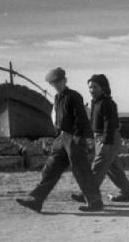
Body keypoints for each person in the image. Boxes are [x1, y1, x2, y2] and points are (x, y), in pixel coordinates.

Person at [16, 67, 103, 213]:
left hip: (74, 137)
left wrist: (83, 138)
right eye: (52, 83)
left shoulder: (74, 96)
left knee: (81, 170)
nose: (55, 85)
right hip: (61, 137)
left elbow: (81, 118)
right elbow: (57, 118)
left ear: (65, 81)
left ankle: (95, 202)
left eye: (58, 82)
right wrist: (58, 135)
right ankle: (36, 200)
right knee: (50, 169)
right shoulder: (57, 98)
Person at [71, 74, 129, 205]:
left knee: (97, 168)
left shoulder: (108, 103)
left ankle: (87, 194)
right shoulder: (95, 102)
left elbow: (109, 124)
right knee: (113, 169)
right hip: (99, 138)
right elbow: (94, 123)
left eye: (95, 87)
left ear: (103, 87)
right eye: (90, 87)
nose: (91, 90)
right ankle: (127, 193)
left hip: (108, 138)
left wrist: (105, 141)